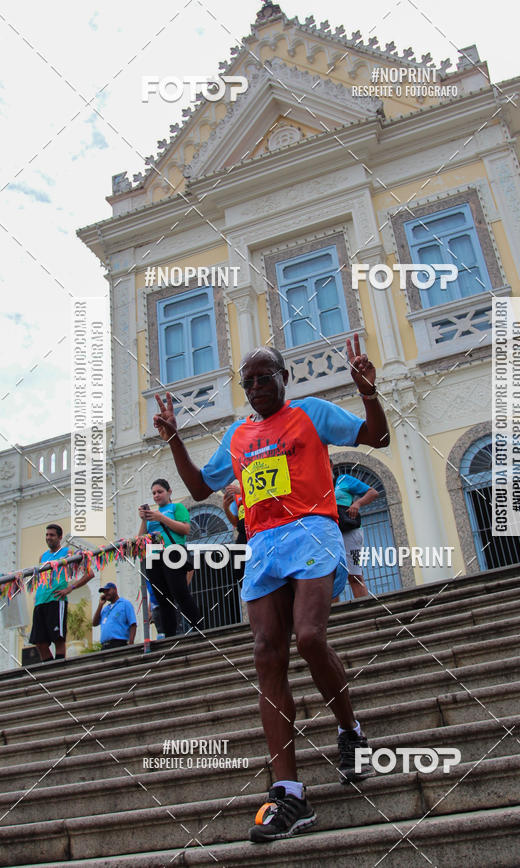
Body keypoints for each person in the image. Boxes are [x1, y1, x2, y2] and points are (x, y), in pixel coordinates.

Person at [154, 334, 390, 843]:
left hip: (312, 528)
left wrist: (368, 391)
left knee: (308, 637)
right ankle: (290, 793)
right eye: (250, 379)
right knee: (266, 652)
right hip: (262, 545)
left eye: (267, 376)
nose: (258, 384)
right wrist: (174, 438)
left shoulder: (311, 413)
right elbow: (200, 489)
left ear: (286, 379)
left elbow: (377, 437)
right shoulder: (237, 436)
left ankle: (350, 731)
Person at [138, 479, 202, 638]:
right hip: (154, 556)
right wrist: (144, 519)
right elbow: (140, 540)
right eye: (154, 493)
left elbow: (185, 529)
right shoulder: (152, 516)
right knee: (162, 598)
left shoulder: (176, 508)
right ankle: (170, 635)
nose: (156, 495)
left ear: (169, 492)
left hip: (173, 552)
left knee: (180, 592)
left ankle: (199, 627)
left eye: (160, 491)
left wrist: (161, 518)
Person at [29, 524, 93, 662]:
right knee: (40, 642)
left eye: (52, 535)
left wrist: (70, 588)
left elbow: (89, 574)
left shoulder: (68, 553)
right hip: (41, 601)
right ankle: (49, 668)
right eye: (47, 535)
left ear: (59, 537)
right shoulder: (43, 557)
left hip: (56, 600)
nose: (48, 538)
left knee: (58, 638)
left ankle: (58, 670)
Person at [332, 461, 379, 599]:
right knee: (330, 577)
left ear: (330, 465)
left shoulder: (344, 480)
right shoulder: (317, 487)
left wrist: (357, 503)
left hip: (351, 533)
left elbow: (373, 492)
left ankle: (364, 610)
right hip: (330, 534)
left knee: (355, 575)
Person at [92, 582, 137, 649]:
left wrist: (131, 644)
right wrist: (100, 605)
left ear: (115, 590)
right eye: (104, 592)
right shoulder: (105, 609)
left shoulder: (125, 604)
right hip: (104, 646)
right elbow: (94, 623)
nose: (106, 593)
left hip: (118, 643)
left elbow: (133, 624)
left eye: (108, 590)